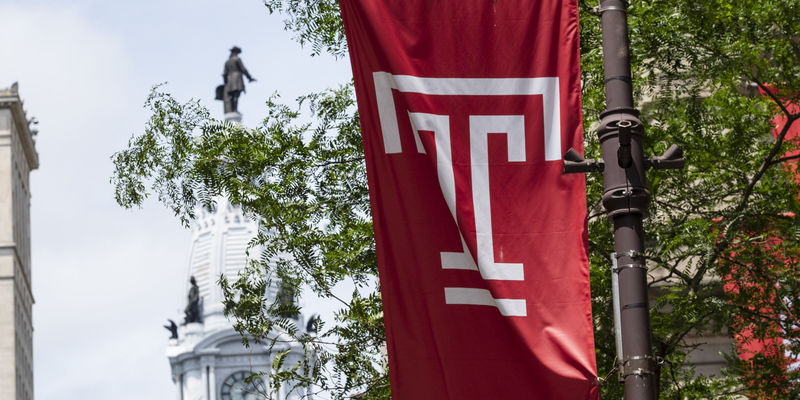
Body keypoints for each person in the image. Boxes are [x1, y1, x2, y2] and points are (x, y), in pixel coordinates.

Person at [222, 46, 256, 114]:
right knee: (236, 95)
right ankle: (234, 110)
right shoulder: (237, 59)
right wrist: (249, 77)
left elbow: (224, 74)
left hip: (229, 81)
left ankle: (232, 110)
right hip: (237, 79)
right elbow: (243, 69)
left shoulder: (227, 62)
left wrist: (225, 83)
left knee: (232, 96)